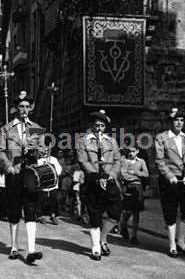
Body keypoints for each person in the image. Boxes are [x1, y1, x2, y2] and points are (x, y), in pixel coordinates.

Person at [0, 91, 45, 264]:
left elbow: (44, 151)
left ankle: (31, 250)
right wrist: (7, 166)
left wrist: (37, 150)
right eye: (21, 106)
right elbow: (0, 151)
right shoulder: (6, 128)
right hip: (14, 173)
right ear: (16, 108)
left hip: (30, 173)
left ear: (30, 109)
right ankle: (14, 246)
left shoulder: (36, 128)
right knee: (14, 209)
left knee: (31, 209)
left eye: (27, 107)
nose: (24, 109)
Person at [76, 110, 122, 261]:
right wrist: (95, 177)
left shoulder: (111, 141)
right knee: (94, 214)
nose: (99, 128)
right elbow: (83, 161)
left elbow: (117, 160)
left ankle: (103, 238)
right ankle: (95, 247)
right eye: (97, 125)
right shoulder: (83, 140)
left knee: (116, 212)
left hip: (109, 179)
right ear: (92, 125)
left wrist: (111, 175)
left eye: (102, 126)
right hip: (92, 180)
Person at [154, 108, 185, 258]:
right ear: (170, 122)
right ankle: (172, 244)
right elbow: (159, 160)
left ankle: (182, 241)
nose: (179, 123)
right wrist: (169, 175)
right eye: (176, 120)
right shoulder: (161, 137)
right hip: (169, 180)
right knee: (171, 210)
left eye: (181, 120)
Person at [119, 145, 149, 245]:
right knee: (127, 211)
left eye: (133, 151)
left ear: (137, 151)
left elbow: (146, 174)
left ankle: (134, 236)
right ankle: (123, 225)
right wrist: (134, 177)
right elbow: (123, 174)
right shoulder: (124, 161)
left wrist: (135, 172)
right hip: (128, 187)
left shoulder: (141, 161)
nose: (131, 153)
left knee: (136, 212)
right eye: (129, 151)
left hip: (138, 188)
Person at [37, 148, 62, 225]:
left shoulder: (53, 159)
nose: (45, 152)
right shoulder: (38, 160)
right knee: (41, 200)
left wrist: (52, 169)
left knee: (53, 200)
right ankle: (41, 216)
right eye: (43, 150)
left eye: (47, 150)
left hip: (53, 184)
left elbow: (59, 170)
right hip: (43, 184)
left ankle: (53, 215)